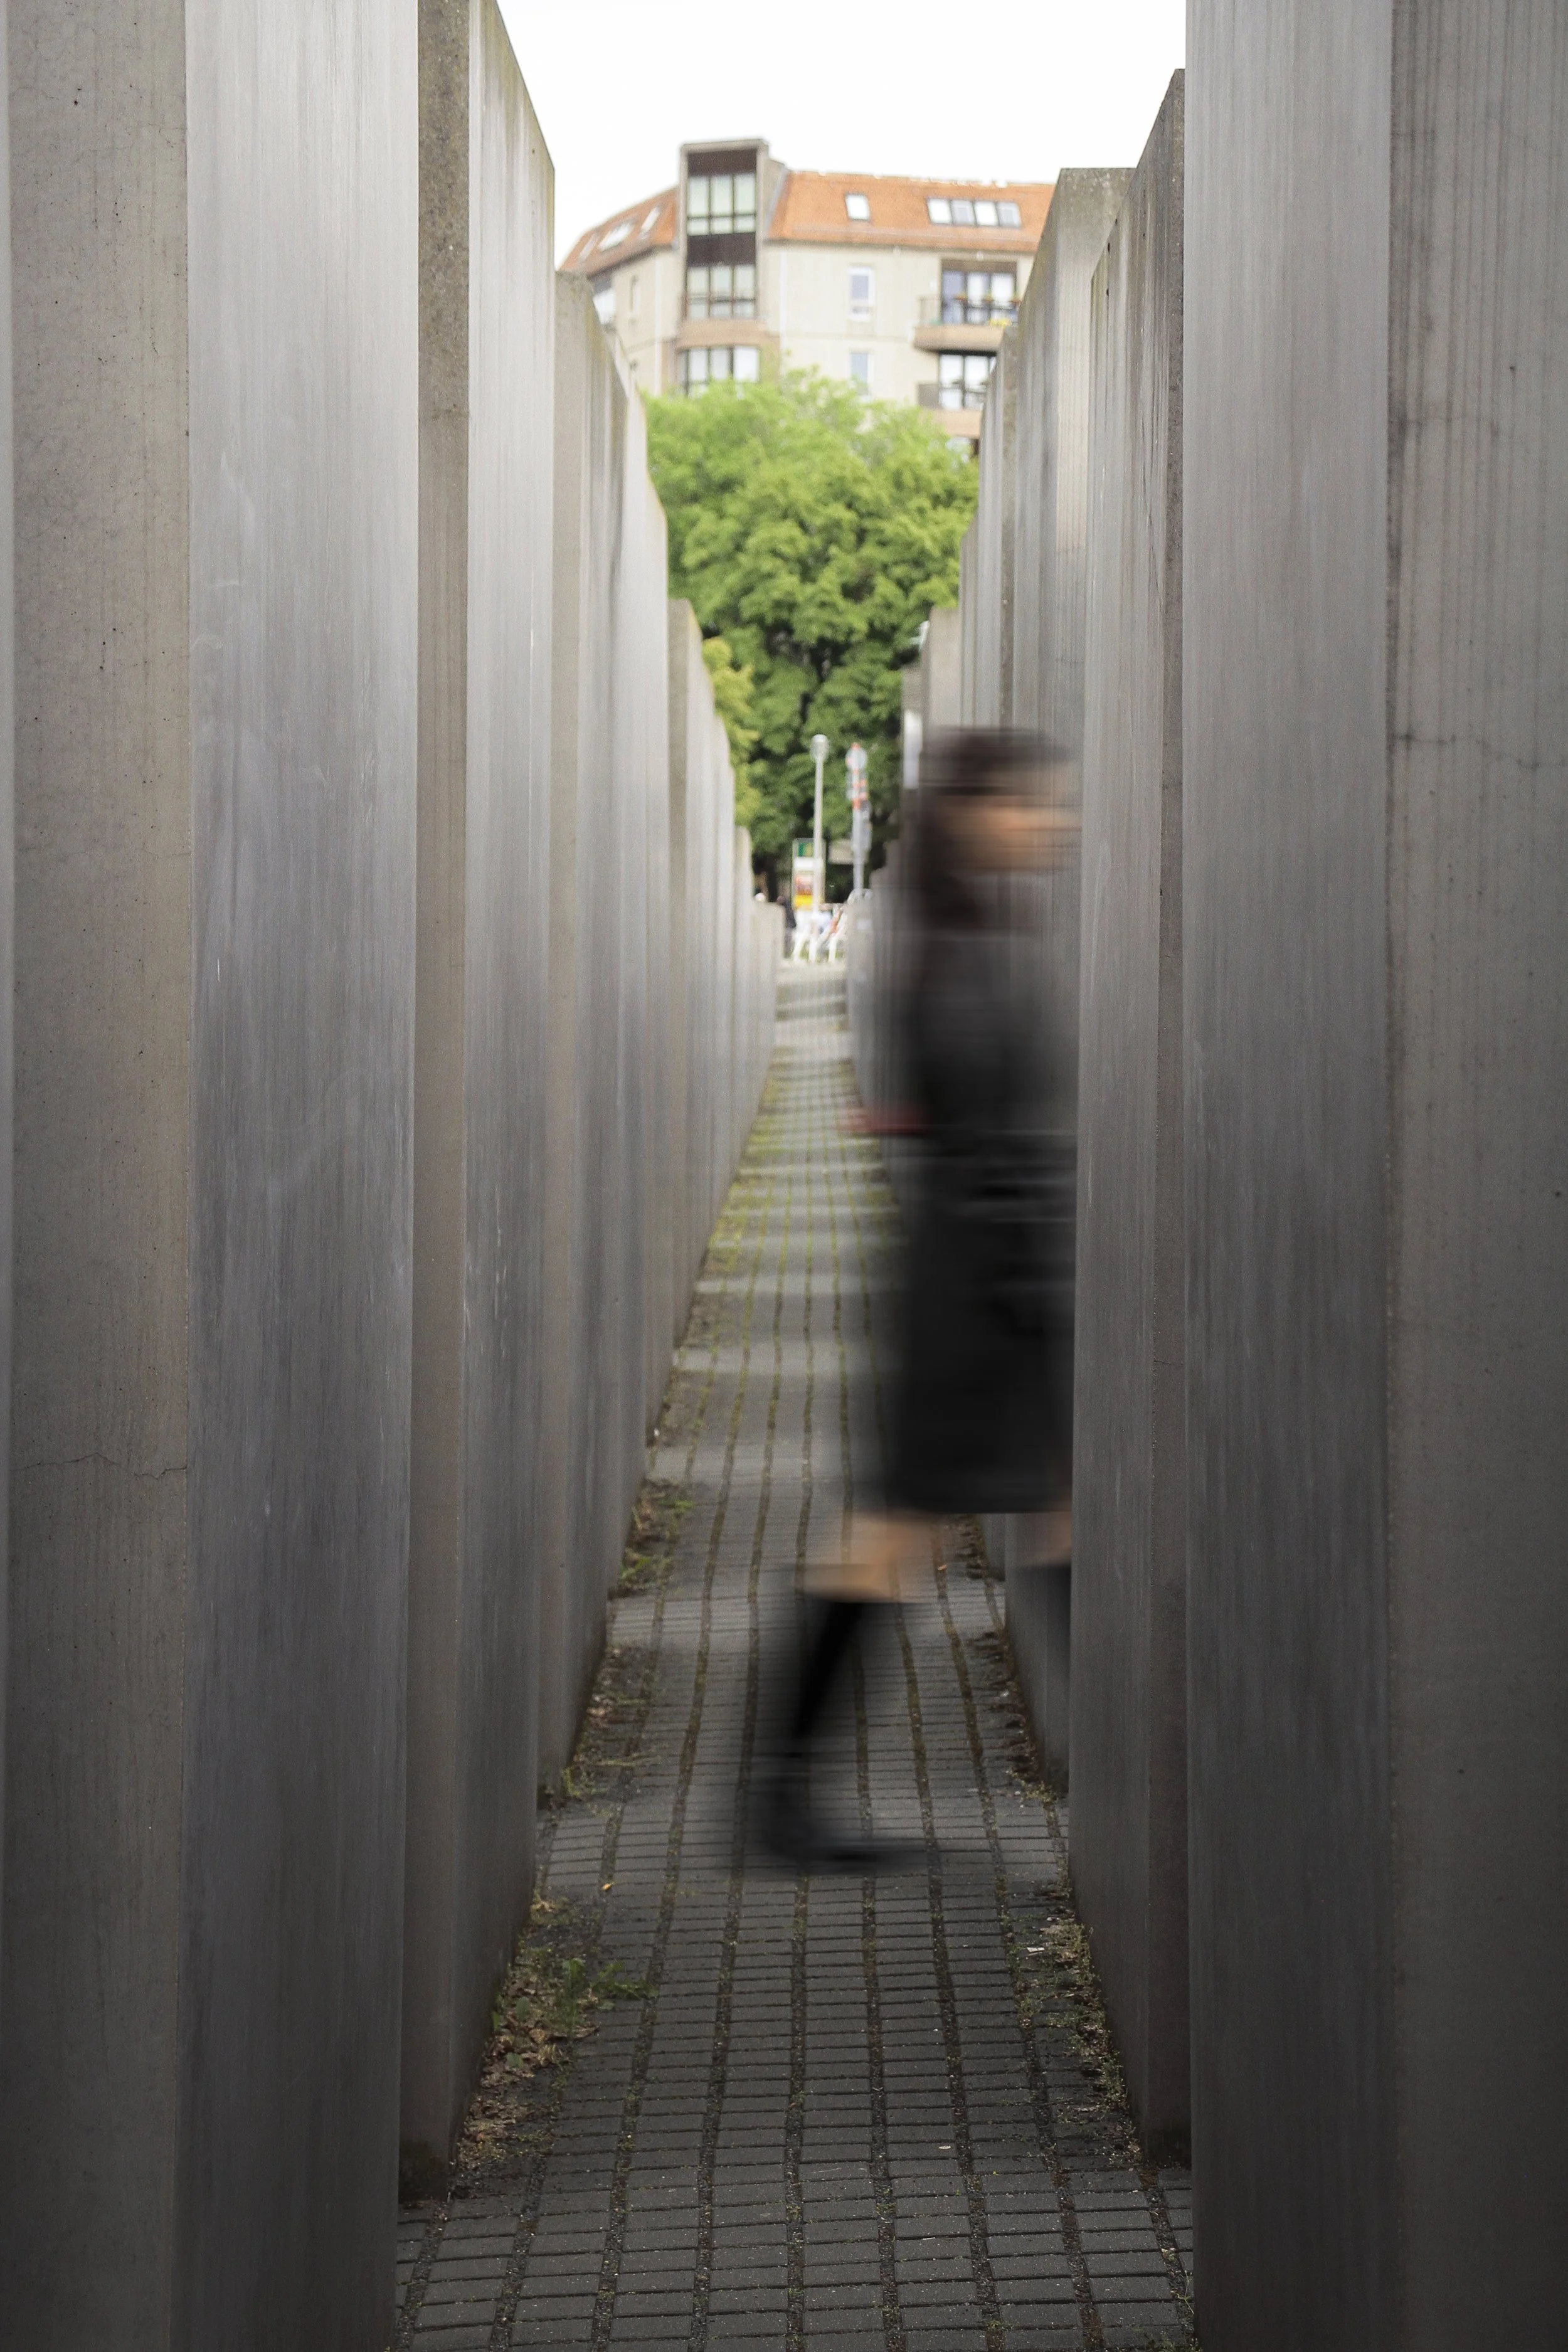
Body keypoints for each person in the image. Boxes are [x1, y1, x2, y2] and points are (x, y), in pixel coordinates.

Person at [760, 729, 1079, 1870]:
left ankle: (782, 1792)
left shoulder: (970, 936)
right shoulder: (955, 951)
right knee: (905, 1535)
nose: (1053, 824)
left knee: (925, 1532)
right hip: (971, 1289)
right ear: (976, 814)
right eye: (1033, 805)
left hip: (974, 1275)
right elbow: (978, 1136)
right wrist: (1034, 1297)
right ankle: (780, 1794)